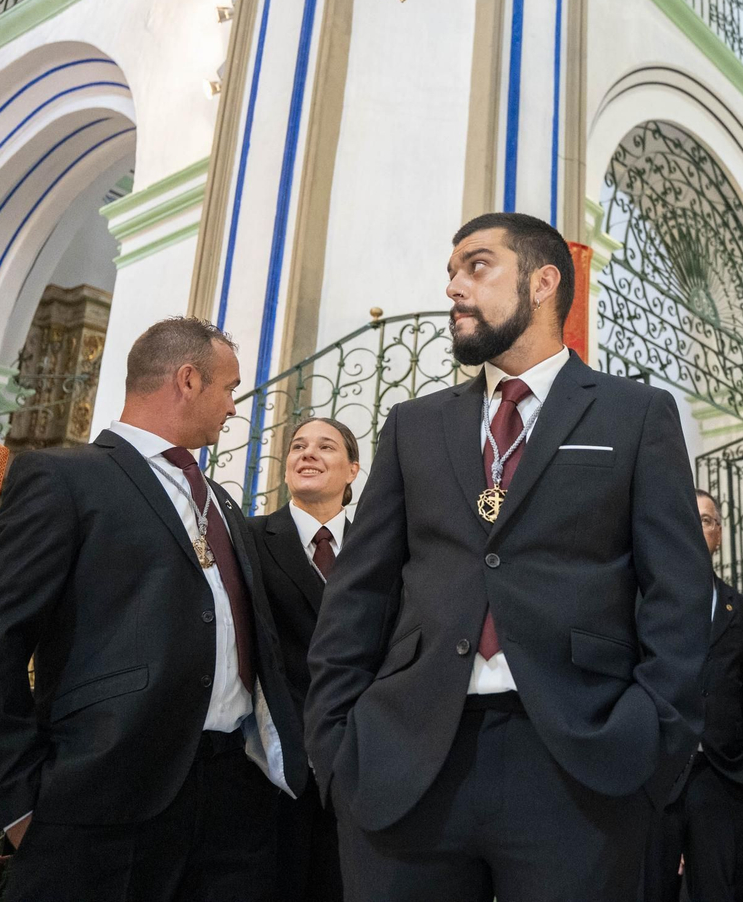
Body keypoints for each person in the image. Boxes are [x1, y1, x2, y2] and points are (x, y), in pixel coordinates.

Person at [304, 211, 710, 901]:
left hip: (580, 761)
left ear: (543, 281)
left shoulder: (634, 415)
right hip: (407, 760)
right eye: (451, 272)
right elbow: (359, 594)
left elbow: (676, 588)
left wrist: (652, 744)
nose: (454, 288)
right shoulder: (414, 425)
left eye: (477, 266)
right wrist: (338, 749)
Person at [0, 317, 305, 902]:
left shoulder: (218, 500)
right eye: (228, 387)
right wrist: (13, 796)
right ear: (187, 380)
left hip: (230, 792)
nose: (233, 407)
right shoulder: (66, 478)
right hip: (101, 794)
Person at [251, 416, 362, 902]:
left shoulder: (383, 546)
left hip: (360, 758)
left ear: (353, 471)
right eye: (297, 446)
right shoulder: (249, 540)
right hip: (272, 761)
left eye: (325, 447)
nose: (307, 453)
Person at [642, 489, 743, 902]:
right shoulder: (645, 600)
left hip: (721, 775)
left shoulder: (738, 607)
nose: (701, 527)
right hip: (658, 775)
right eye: (691, 517)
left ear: (718, 535)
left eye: (709, 520)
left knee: (721, 891)